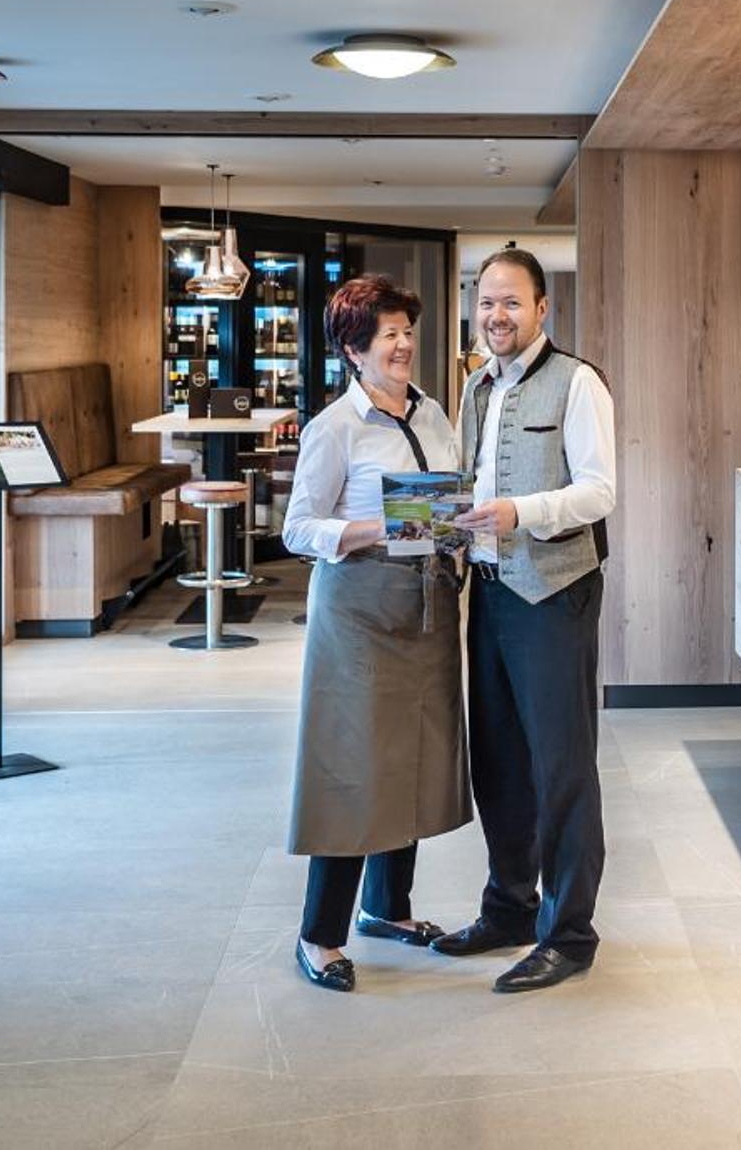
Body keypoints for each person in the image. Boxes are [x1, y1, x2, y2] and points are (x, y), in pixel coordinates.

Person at [278, 275, 470, 992]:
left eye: (406, 331)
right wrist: (379, 527)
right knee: (353, 764)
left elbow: (448, 500)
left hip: (427, 604)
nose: (403, 344)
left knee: (410, 756)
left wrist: (459, 524)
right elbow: (298, 528)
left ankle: (387, 907)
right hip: (358, 610)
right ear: (354, 350)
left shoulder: (433, 412)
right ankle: (319, 934)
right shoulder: (335, 427)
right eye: (387, 334)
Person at [433, 247, 619, 993]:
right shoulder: (475, 387)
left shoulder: (578, 382)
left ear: (543, 309)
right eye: (486, 303)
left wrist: (523, 511)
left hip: (555, 595)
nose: (496, 316)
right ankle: (509, 907)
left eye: (511, 302)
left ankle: (568, 933)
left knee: (561, 766)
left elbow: (599, 491)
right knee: (500, 762)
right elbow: (469, 483)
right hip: (488, 590)